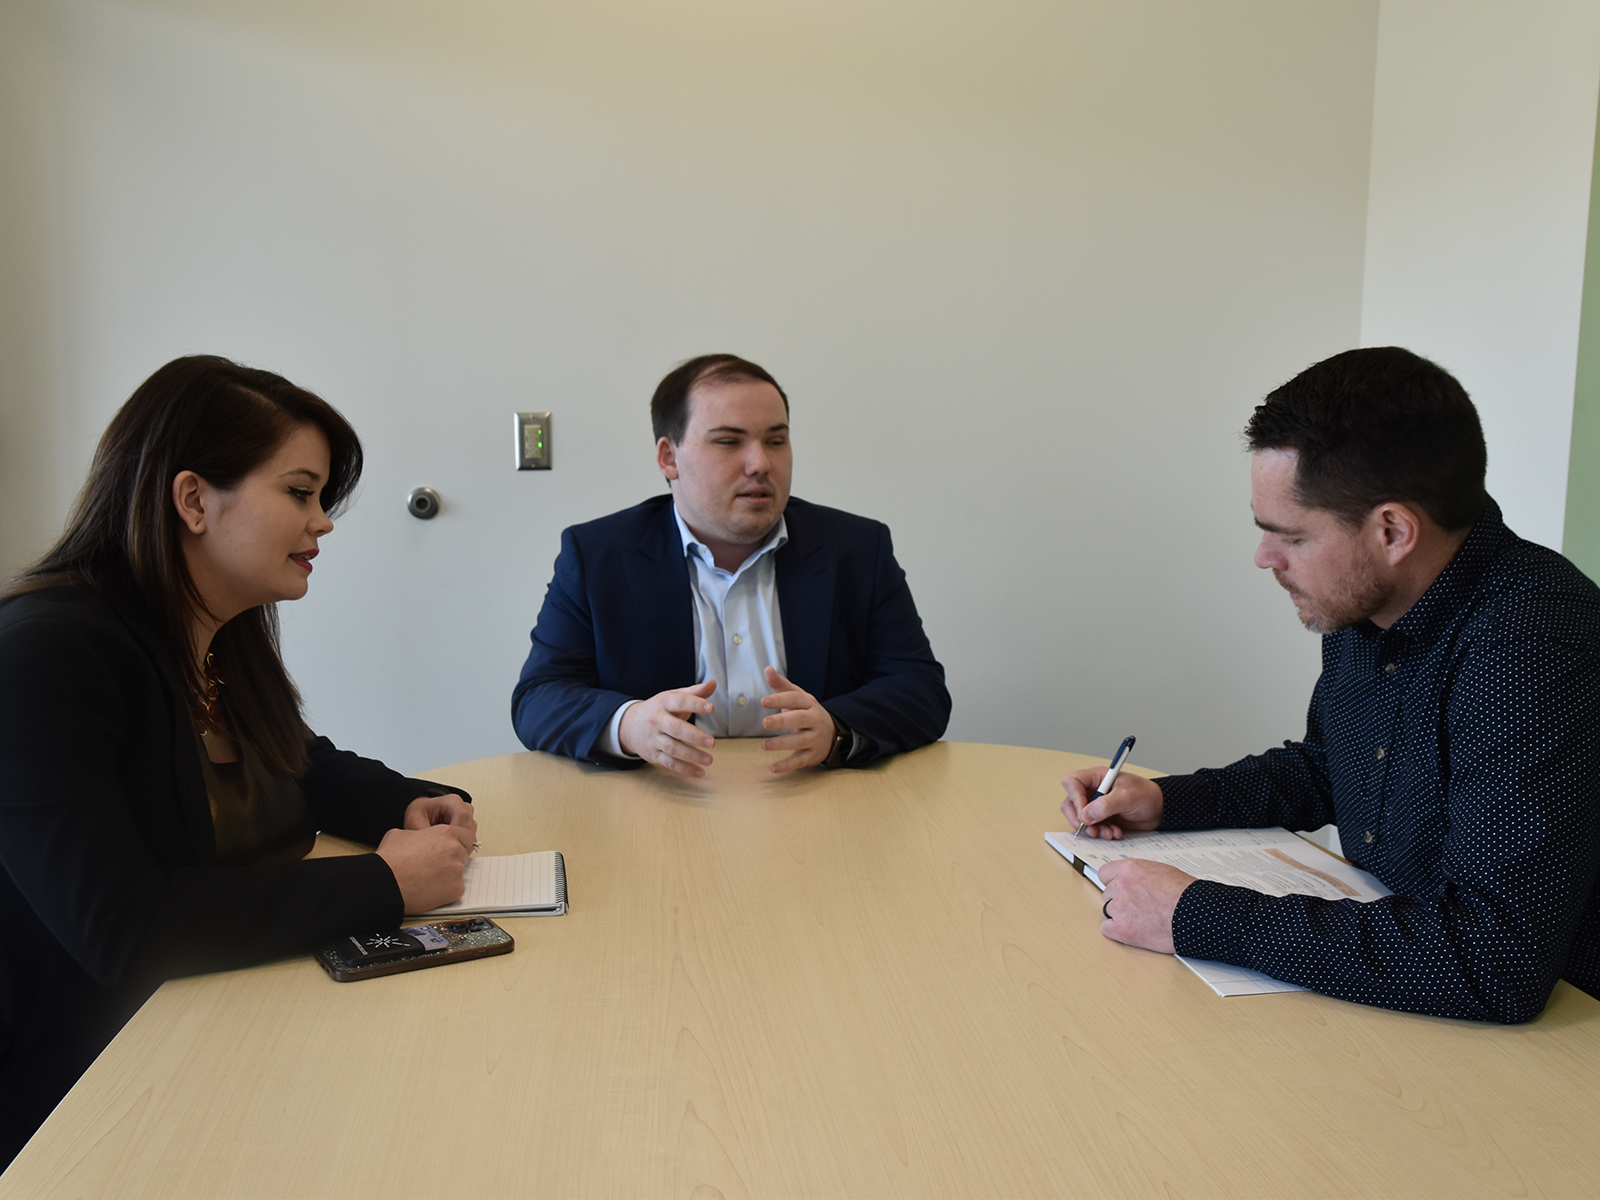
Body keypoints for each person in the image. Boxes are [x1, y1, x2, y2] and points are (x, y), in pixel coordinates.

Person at [0, 356, 477, 1166]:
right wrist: (385, 885)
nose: (322, 522)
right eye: (299, 492)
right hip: (96, 1098)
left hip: (238, 1020)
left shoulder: (220, 636)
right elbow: (126, 928)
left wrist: (406, 802)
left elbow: (302, 765)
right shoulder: (44, 655)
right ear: (192, 499)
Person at [1061, 346, 1600, 1024]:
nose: (1264, 558)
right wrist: (1167, 801)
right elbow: (1330, 765)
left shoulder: (1531, 648)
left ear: (1393, 530)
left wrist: (1196, 915)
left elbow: (1492, 958)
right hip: (1407, 993)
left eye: (1290, 536)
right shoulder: (1371, 595)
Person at [512, 353, 950, 775]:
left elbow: (921, 691)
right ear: (669, 457)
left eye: (776, 441)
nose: (760, 463)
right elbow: (539, 698)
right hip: (660, 806)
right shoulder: (598, 555)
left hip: (815, 802)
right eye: (728, 441)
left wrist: (836, 730)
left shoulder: (856, 548)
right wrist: (629, 725)